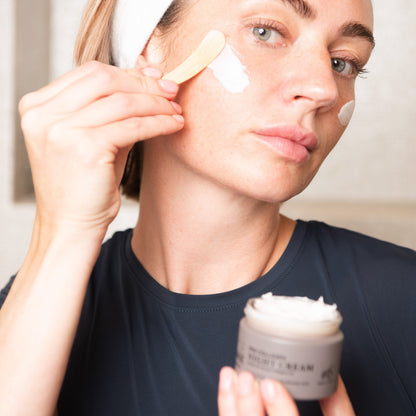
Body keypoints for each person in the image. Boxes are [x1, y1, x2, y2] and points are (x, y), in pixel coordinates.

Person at [0, 0, 415, 414]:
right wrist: (62, 231)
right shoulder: (32, 309)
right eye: (266, 32)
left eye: (343, 62)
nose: (324, 88)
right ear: (146, 47)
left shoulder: (404, 302)